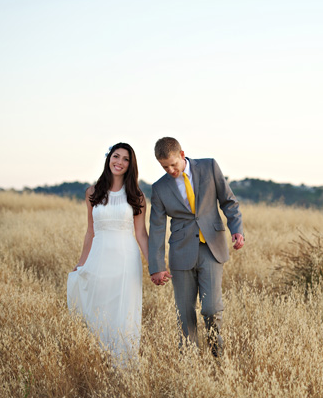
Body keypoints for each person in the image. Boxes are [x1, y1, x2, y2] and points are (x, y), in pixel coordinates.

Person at [148, 137, 244, 357]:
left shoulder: (209, 167)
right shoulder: (160, 188)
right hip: (181, 253)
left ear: (182, 154)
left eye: (173, 164)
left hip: (211, 248)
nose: (170, 170)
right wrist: (156, 266)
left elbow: (229, 201)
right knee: (185, 313)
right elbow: (156, 228)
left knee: (211, 308)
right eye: (165, 167)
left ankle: (216, 356)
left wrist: (236, 229)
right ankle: (189, 363)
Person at [67, 142, 149, 362]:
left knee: (122, 313)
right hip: (100, 257)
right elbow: (90, 231)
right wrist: (81, 262)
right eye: (116, 156)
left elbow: (141, 234)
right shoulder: (92, 192)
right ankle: (97, 361)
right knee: (98, 308)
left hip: (125, 260)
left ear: (130, 165)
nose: (119, 162)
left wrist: (154, 265)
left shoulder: (137, 196)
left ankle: (123, 365)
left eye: (125, 159)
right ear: (108, 158)